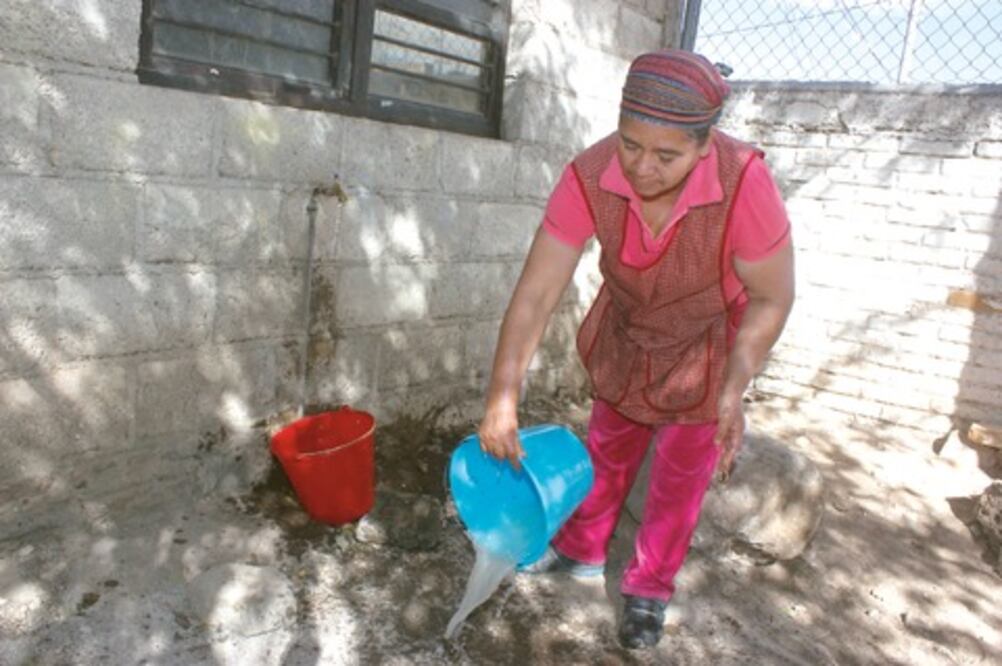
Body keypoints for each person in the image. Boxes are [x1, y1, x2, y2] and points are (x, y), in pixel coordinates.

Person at [476, 49, 796, 650]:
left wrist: (734, 385)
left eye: (667, 155)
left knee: (680, 473)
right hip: (629, 327)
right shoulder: (589, 175)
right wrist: (502, 395)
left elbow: (773, 297)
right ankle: (581, 549)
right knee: (609, 442)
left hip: (705, 342)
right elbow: (537, 291)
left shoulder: (743, 182)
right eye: (630, 145)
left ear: (705, 145)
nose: (642, 169)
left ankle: (649, 588)